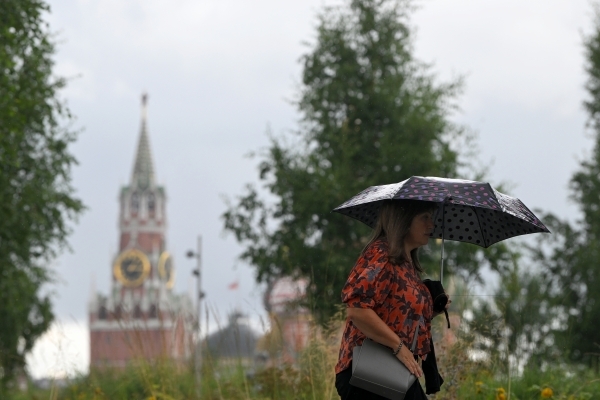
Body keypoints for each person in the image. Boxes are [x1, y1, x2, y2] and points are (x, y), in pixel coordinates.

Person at [334, 199, 451, 400]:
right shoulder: (382, 254)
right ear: (404, 219)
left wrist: (431, 310)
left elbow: (395, 315)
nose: (431, 225)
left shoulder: (405, 263)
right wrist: (399, 348)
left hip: (391, 370)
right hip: (367, 371)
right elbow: (357, 310)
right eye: (424, 218)